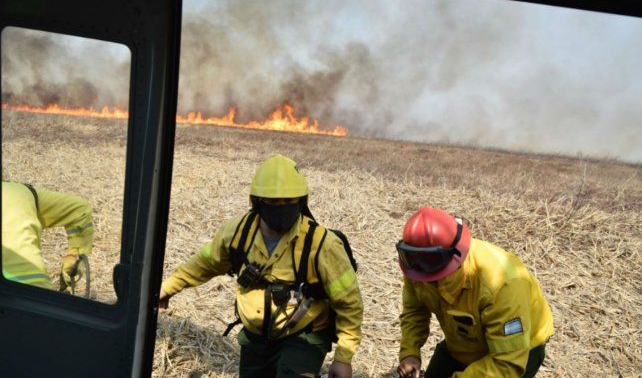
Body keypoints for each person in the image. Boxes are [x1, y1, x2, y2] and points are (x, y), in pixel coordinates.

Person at [159, 154, 363, 378]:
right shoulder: (237, 233)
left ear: (301, 201)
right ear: (257, 202)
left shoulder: (322, 244)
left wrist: (343, 358)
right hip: (256, 336)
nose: (281, 208)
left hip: (304, 334)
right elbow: (205, 263)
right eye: (273, 201)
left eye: (289, 201)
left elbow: (349, 303)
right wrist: (169, 287)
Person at [395, 207, 554, 378]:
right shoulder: (417, 266)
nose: (425, 279)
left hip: (518, 350)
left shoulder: (502, 285)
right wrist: (410, 352)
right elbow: (415, 310)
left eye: (432, 272)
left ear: (456, 256)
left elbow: (506, 364)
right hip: (463, 343)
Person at [2, 181, 94, 291]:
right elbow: (80, 211)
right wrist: (73, 258)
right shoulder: (19, 191)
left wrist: (73, 258)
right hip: (33, 290)